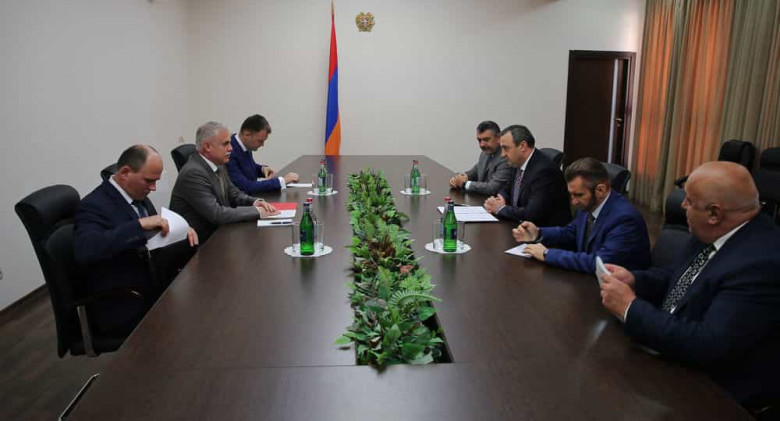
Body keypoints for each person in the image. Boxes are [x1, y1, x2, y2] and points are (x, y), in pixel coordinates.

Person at [600, 161, 780, 411]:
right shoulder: (715, 231)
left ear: (714, 214)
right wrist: (634, 279)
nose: (682, 205)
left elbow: (707, 344)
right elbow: (680, 277)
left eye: (690, 201)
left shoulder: (761, 263)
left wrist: (630, 308)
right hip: (673, 351)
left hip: (715, 395)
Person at [74, 145, 198, 335]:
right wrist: (139, 225)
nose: (153, 188)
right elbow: (86, 249)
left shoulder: (136, 193)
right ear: (125, 173)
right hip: (126, 300)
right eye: (149, 181)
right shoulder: (93, 205)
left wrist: (180, 230)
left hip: (152, 282)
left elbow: (151, 235)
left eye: (156, 181)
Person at [512, 157, 650, 273]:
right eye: (571, 195)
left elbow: (599, 263)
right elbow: (572, 232)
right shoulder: (589, 205)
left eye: (578, 195)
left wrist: (547, 254)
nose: (573, 202)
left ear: (600, 190)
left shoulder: (625, 219)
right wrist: (538, 233)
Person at [170, 121, 278, 243]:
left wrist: (255, 202)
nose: (231, 148)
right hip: (199, 243)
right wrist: (257, 211)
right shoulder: (193, 173)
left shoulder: (219, 164)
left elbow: (234, 193)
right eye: (225, 144)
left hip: (219, 233)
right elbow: (217, 214)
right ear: (207, 147)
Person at [483, 124, 570, 226]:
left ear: (522, 146)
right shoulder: (517, 162)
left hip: (543, 231)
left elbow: (531, 214)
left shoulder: (544, 171)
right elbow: (507, 188)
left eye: (506, 148)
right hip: (520, 225)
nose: (503, 154)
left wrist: (500, 209)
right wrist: (502, 198)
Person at [227, 114, 299, 194]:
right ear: (247, 134)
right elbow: (246, 187)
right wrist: (281, 181)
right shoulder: (229, 152)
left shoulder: (244, 145)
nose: (262, 145)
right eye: (260, 141)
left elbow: (246, 168)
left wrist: (262, 169)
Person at [449, 121, 512, 195]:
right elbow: (475, 172)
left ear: (499, 138)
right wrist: (458, 179)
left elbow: (493, 188)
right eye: (479, 140)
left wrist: (464, 184)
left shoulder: (506, 157)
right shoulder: (485, 153)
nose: (482, 145)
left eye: (486, 140)